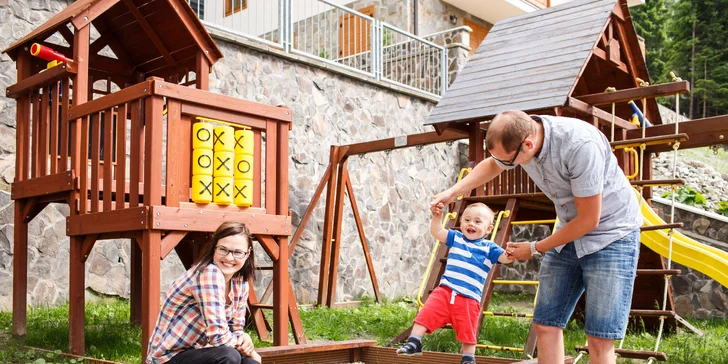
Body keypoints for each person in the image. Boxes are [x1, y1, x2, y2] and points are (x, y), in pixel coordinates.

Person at [431, 110, 642, 364]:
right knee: (546, 324)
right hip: (569, 232)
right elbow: (493, 164)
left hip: (612, 235)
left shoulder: (580, 146)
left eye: (509, 162)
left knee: (598, 339)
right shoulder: (523, 134)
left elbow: (589, 219)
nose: (506, 166)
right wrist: (453, 192)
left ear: (528, 145)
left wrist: (533, 248)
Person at [397, 202, 513, 364]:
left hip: (469, 298)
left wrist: (512, 253)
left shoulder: (489, 248)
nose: (471, 224)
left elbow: (505, 259)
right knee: (425, 314)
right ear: (461, 223)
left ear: (488, 229)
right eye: (466, 220)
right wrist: (437, 217)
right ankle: (414, 341)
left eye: (477, 221)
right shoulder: (456, 237)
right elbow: (437, 231)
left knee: (468, 328)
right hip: (445, 291)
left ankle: (468, 358)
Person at [146, 222, 262, 364]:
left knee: (250, 363)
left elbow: (235, 327)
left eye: (237, 252)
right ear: (214, 248)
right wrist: (249, 351)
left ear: (247, 253)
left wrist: (243, 337)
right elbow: (218, 336)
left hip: (200, 352)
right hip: (167, 358)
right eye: (223, 249)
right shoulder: (209, 273)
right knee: (229, 356)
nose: (229, 258)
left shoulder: (240, 283)